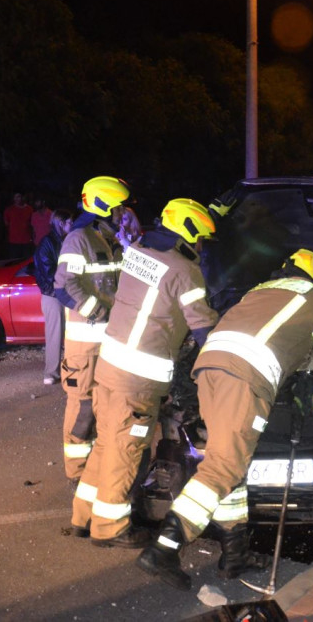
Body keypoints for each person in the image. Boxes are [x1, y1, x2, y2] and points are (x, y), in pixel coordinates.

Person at [138, 248, 313, 590]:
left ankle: (236, 554)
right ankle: (165, 548)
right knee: (223, 468)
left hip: (209, 370)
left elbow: (281, 343)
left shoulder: (259, 292)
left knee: (229, 462)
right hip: (245, 378)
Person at [71, 198, 219, 548]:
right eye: (200, 238)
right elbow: (203, 328)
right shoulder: (186, 271)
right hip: (136, 379)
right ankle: (109, 528)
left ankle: (84, 516)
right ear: (191, 231)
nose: (200, 246)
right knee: (125, 452)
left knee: (106, 443)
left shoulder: (137, 251)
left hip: (109, 366)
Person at [53, 177, 132, 485]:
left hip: (108, 343)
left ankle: (98, 471)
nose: (122, 213)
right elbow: (63, 286)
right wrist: (99, 312)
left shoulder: (108, 241)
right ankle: (78, 476)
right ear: (102, 207)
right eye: (118, 208)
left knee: (106, 407)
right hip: (85, 346)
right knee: (83, 408)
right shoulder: (79, 239)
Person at [34, 208, 73, 385]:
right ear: (61, 223)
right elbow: (48, 272)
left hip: (68, 292)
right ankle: (51, 373)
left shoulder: (68, 241)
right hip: (53, 294)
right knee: (55, 334)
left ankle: (71, 371)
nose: (72, 224)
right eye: (69, 221)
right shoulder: (47, 243)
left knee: (72, 335)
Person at [3, 192, 34, 259]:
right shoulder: (9, 210)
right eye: (16, 197)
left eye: (19, 196)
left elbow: (32, 224)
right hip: (14, 241)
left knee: (26, 262)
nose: (18, 199)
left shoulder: (29, 209)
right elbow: (6, 223)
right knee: (14, 261)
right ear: (13, 198)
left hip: (26, 240)